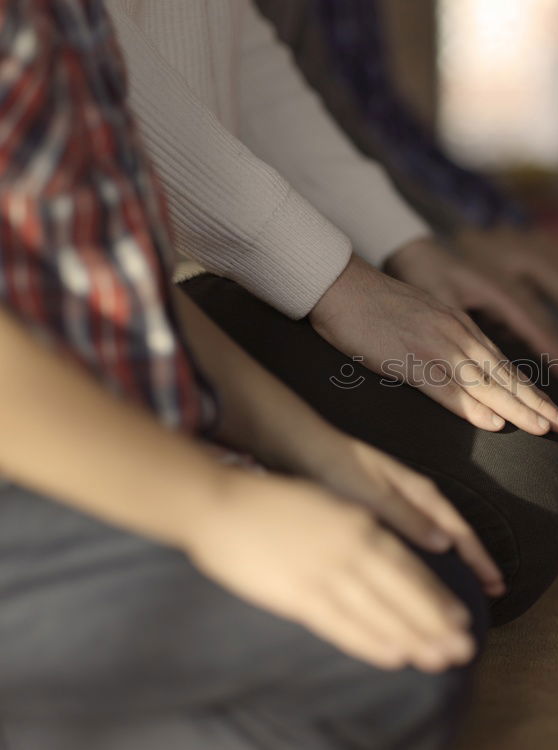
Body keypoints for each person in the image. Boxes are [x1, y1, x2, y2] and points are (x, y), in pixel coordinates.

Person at [0, 1, 495, 746]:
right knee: (382, 662)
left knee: (427, 571)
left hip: (120, 420)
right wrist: (215, 508)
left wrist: (322, 450)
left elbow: (114, 283)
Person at [103, 0, 558, 624]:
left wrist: (405, 246)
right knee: (520, 501)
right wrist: (335, 283)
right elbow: (102, 69)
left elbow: (247, 58)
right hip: (130, 268)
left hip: (229, 243)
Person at [254, 0, 558, 427]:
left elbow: (369, 117)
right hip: (281, 238)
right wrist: (335, 277)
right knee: (530, 449)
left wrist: (472, 225)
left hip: (366, 210)